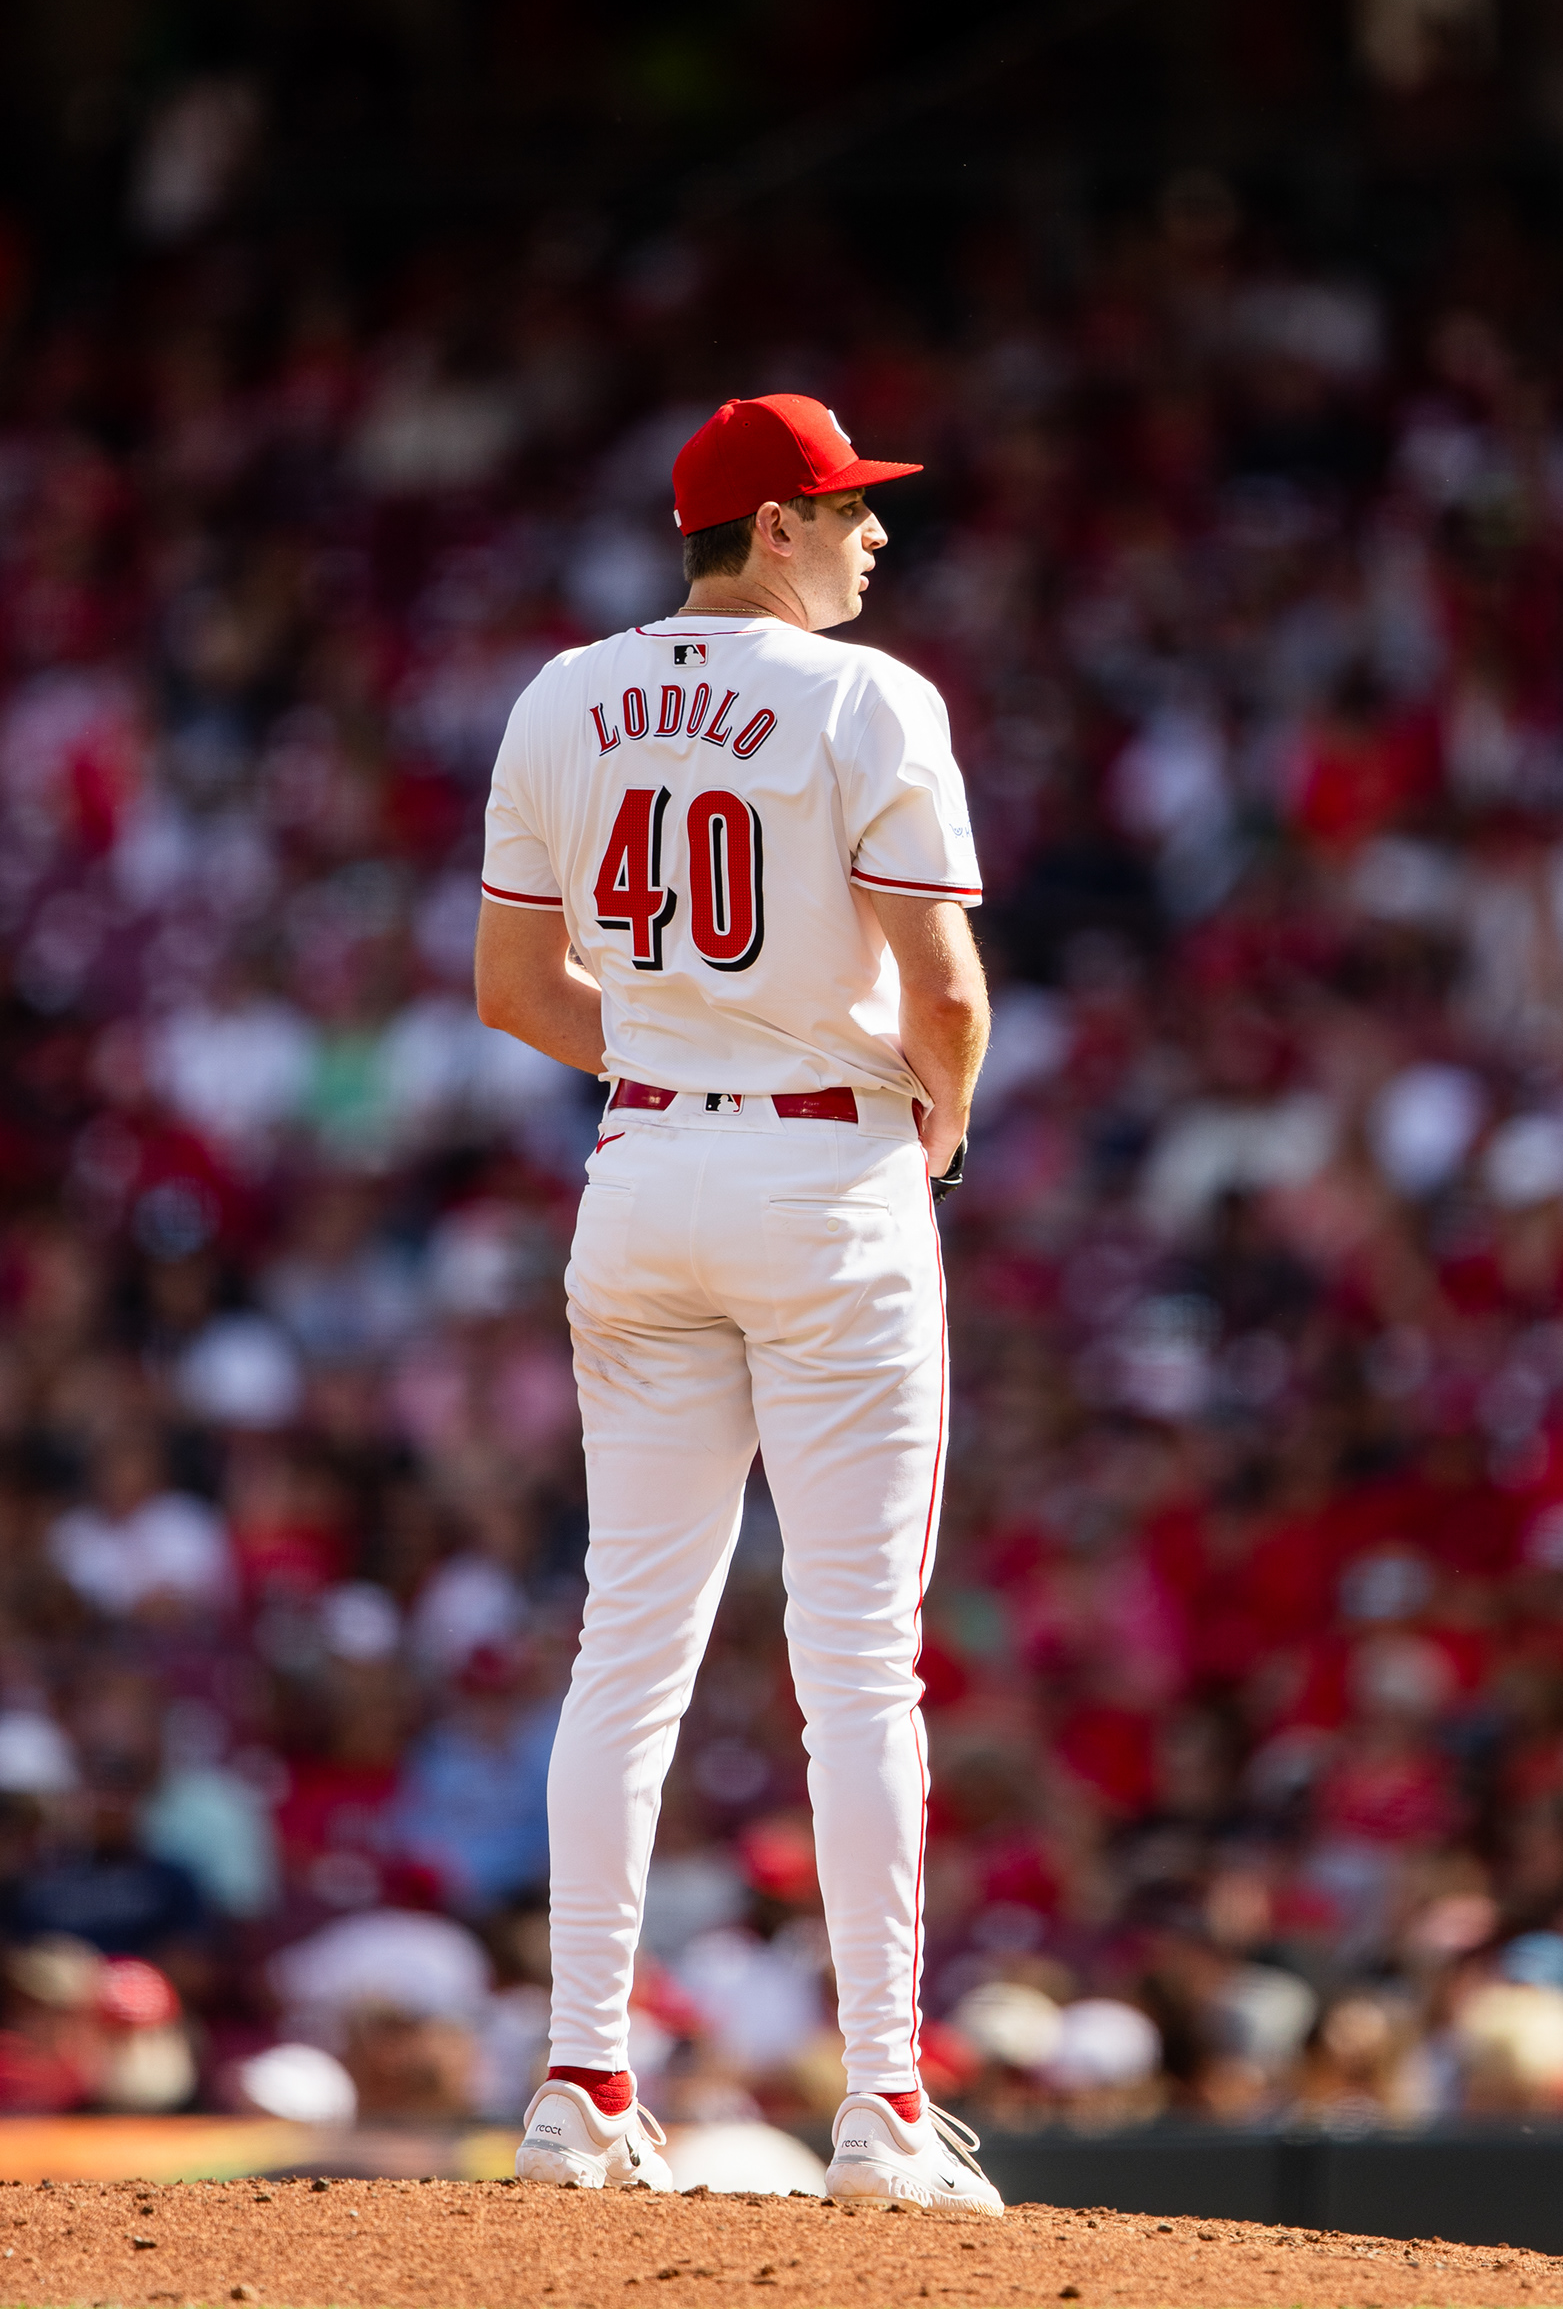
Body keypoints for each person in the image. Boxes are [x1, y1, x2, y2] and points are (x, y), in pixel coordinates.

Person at [475, 392, 1002, 2212]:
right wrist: (937, 1130)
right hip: (825, 1176)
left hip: (642, 1171)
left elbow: (509, 985)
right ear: (772, 524)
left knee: (627, 1646)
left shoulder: (561, 695)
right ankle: (884, 2106)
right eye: (846, 507)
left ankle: (579, 2083)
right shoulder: (869, 699)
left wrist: (677, 1061)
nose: (875, 533)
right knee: (856, 1660)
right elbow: (945, 991)